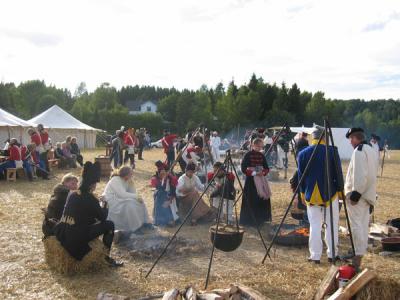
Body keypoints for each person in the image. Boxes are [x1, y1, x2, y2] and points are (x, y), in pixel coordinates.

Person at [54, 162, 123, 267]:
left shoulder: (74, 194)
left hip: (64, 232)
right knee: (110, 225)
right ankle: (105, 257)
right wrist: (105, 205)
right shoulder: (90, 198)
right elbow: (103, 218)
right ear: (92, 184)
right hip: (77, 236)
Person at [297, 126, 342, 264]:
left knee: (314, 225)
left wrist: (303, 194)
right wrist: (340, 192)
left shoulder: (303, 153)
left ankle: (315, 256)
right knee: (331, 224)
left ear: (314, 137)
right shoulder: (332, 151)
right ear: (325, 137)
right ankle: (332, 254)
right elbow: (338, 174)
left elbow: (301, 176)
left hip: (311, 193)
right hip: (331, 193)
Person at [345, 128, 378, 270]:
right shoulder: (370, 149)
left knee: (356, 225)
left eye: (351, 138)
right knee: (363, 226)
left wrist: (355, 195)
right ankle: (360, 252)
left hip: (359, 196)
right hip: (368, 195)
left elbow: (360, 175)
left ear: (354, 138)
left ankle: (357, 255)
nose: (350, 142)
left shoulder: (359, 151)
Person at [102, 166, 151, 234]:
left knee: (140, 202)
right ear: (126, 174)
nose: (132, 175)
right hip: (112, 200)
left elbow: (132, 193)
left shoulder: (128, 180)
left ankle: (145, 222)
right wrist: (136, 196)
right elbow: (122, 194)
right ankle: (135, 228)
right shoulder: (115, 179)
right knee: (129, 205)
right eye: (131, 174)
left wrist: (133, 187)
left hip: (120, 199)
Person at [240, 138, 272, 226]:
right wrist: (254, 173)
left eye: (261, 146)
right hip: (251, 181)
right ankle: (250, 220)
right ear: (253, 145)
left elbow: (266, 167)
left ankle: (261, 219)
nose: (260, 148)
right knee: (252, 199)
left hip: (261, 180)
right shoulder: (248, 155)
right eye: (258, 146)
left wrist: (263, 172)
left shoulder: (262, 155)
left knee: (261, 198)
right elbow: (243, 168)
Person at [150, 161, 180, 226]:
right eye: (161, 173)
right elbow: (158, 189)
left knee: (169, 207)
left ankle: (170, 219)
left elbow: (173, 192)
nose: (163, 175)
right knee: (159, 195)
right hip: (160, 198)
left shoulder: (171, 179)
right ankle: (159, 219)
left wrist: (169, 201)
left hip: (170, 198)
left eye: (165, 173)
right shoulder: (156, 179)